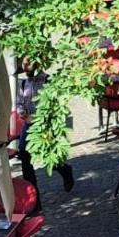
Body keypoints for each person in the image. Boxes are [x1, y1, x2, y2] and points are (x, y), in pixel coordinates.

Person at [15, 58, 74, 208]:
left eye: (28, 63)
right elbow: (19, 103)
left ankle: (64, 170)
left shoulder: (49, 81)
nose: (25, 66)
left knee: (49, 159)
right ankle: (34, 201)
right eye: (23, 63)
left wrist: (39, 118)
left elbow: (58, 107)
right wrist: (21, 112)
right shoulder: (23, 83)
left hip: (46, 126)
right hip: (28, 126)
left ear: (37, 63)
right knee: (24, 156)